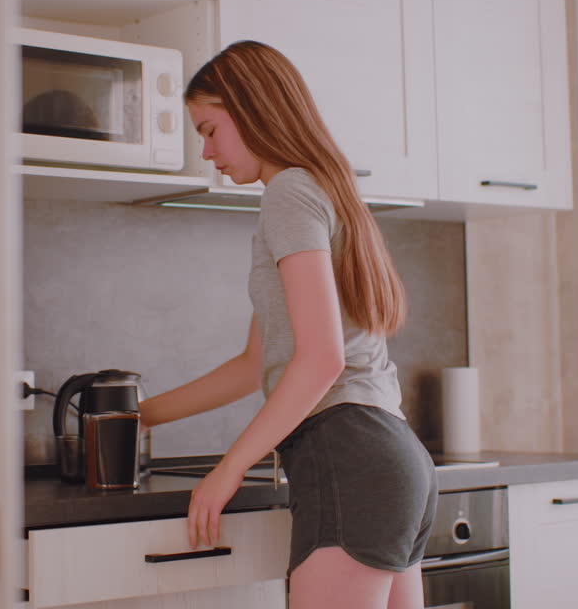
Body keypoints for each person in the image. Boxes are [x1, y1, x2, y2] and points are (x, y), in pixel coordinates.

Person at [138, 40, 437, 609]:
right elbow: (255, 366)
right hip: (396, 457)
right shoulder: (326, 190)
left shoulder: (288, 193)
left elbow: (321, 362)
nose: (206, 152)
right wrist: (140, 417)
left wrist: (230, 468)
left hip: (347, 456)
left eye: (208, 129)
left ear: (252, 110)